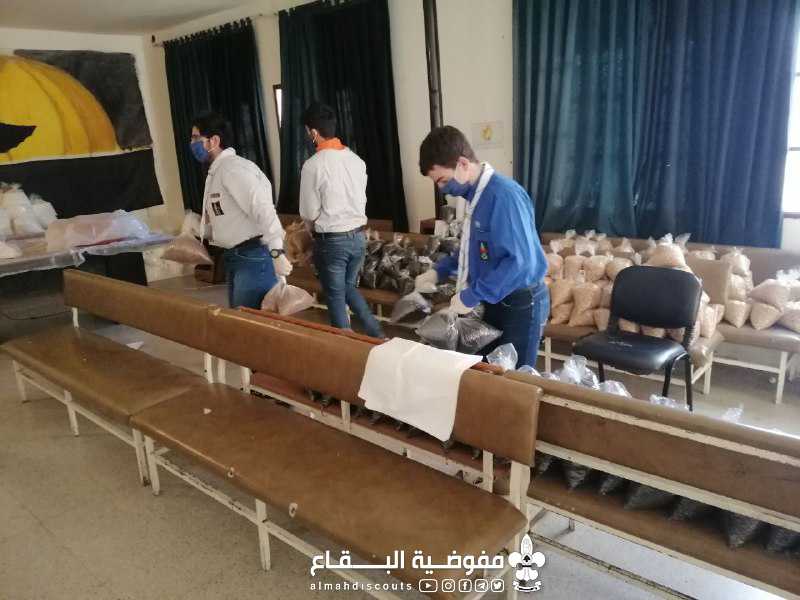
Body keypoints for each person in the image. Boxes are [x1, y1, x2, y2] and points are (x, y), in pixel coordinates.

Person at [415, 125, 548, 367]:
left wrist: (472, 295)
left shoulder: (502, 196)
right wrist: (438, 271)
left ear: (463, 164)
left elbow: (520, 263)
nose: (442, 188)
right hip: (493, 298)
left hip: (518, 303)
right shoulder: (475, 197)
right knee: (487, 370)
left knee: (514, 378)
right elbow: (472, 249)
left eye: (443, 180)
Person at [299, 102, 384, 339]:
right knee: (347, 288)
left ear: (313, 132)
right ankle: (378, 335)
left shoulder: (313, 165)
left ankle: (345, 345)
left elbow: (308, 212)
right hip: (358, 238)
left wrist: (310, 234)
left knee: (336, 295)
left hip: (332, 242)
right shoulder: (357, 161)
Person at [190, 112, 292, 309]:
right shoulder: (217, 172)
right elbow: (226, 217)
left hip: (252, 256)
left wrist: (277, 252)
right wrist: (197, 229)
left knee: (249, 321)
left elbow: (263, 209)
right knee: (241, 318)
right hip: (236, 257)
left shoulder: (234, 169)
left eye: (195, 138)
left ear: (214, 141)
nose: (192, 143)